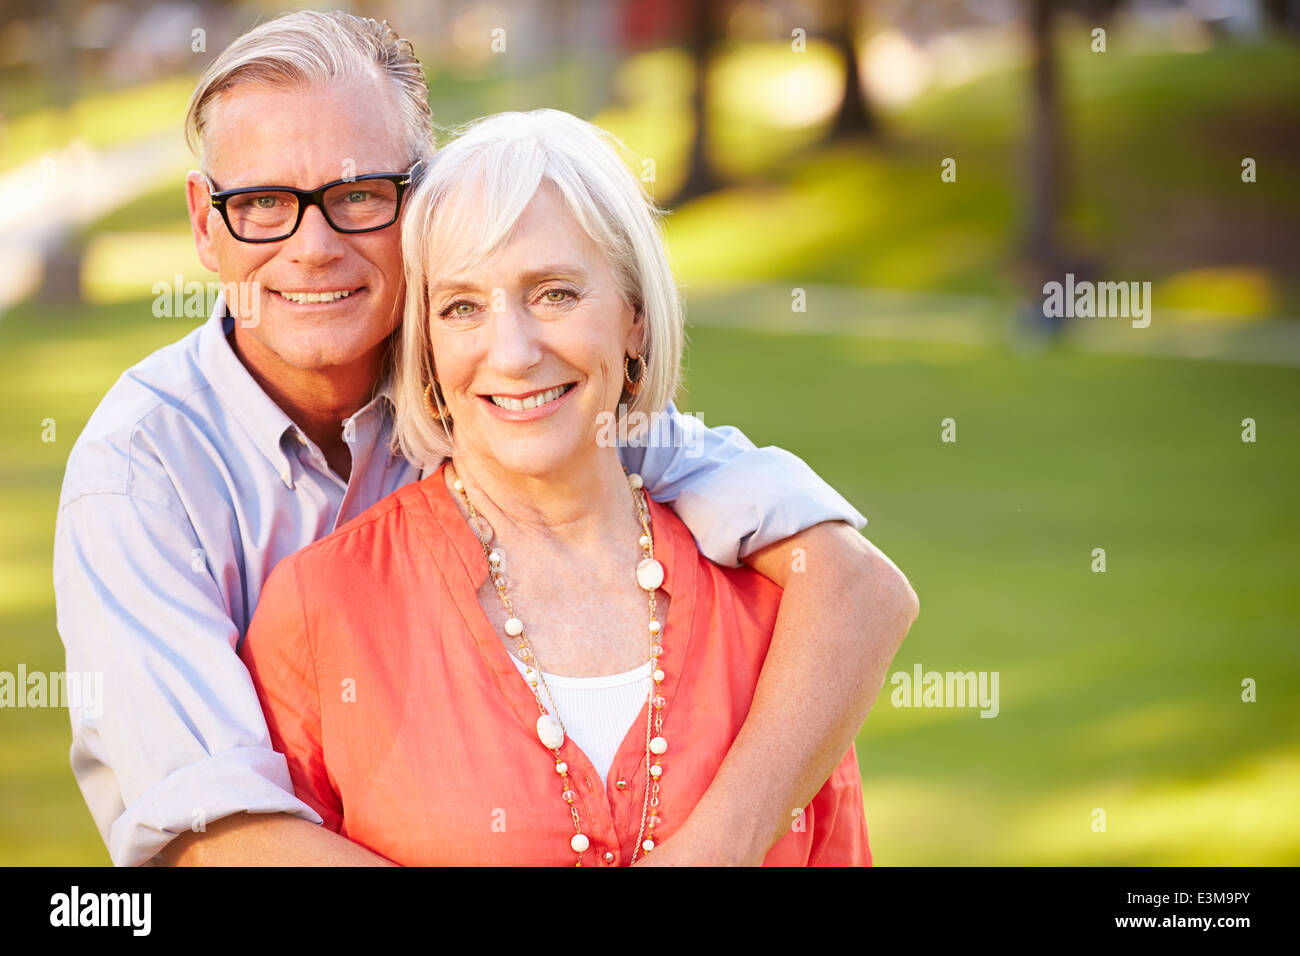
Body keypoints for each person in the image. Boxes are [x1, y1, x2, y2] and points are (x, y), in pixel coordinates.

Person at [53, 11, 917, 868]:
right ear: (207, 222)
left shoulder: (512, 394)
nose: (312, 247)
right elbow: (222, 838)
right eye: (264, 203)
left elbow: (852, 586)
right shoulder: (139, 475)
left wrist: (719, 845)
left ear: (423, 204)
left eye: (357, 195)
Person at [240, 108, 879, 865]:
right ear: (428, 347)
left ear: (635, 320)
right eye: (463, 307)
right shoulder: (323, 612)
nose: (512, 354)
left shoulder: (778, 615)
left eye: (555, 294)